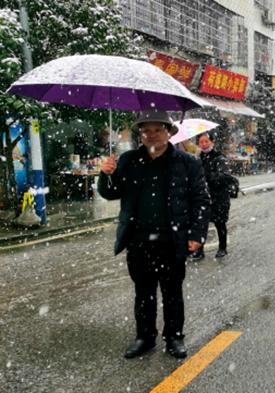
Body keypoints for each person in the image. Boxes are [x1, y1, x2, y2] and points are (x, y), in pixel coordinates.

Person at [98, 109, 211, 359]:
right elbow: (111, 192)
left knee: (172, 293)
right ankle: (145, 336)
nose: (151, 135)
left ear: (169, 132)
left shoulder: (187, 163)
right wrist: (106, 174)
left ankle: (174, 337)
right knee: (143, 292)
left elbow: (200, 200)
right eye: (145, 130)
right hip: (138, 240)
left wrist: (196, 234)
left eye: (157, 130)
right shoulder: (128, 160)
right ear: (140, 134)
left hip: (172, 240)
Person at [190, 132, 231, 260]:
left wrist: (207, 177)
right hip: (203, 196)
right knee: (201, 224)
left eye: (206, 141)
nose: (203, 144)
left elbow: (224, 176)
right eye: (201, 142)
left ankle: (222, 248)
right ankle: (199, 250)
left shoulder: (219, 157)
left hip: (219, 196)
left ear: (212, 142)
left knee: (220, 223)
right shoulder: (198, 158)